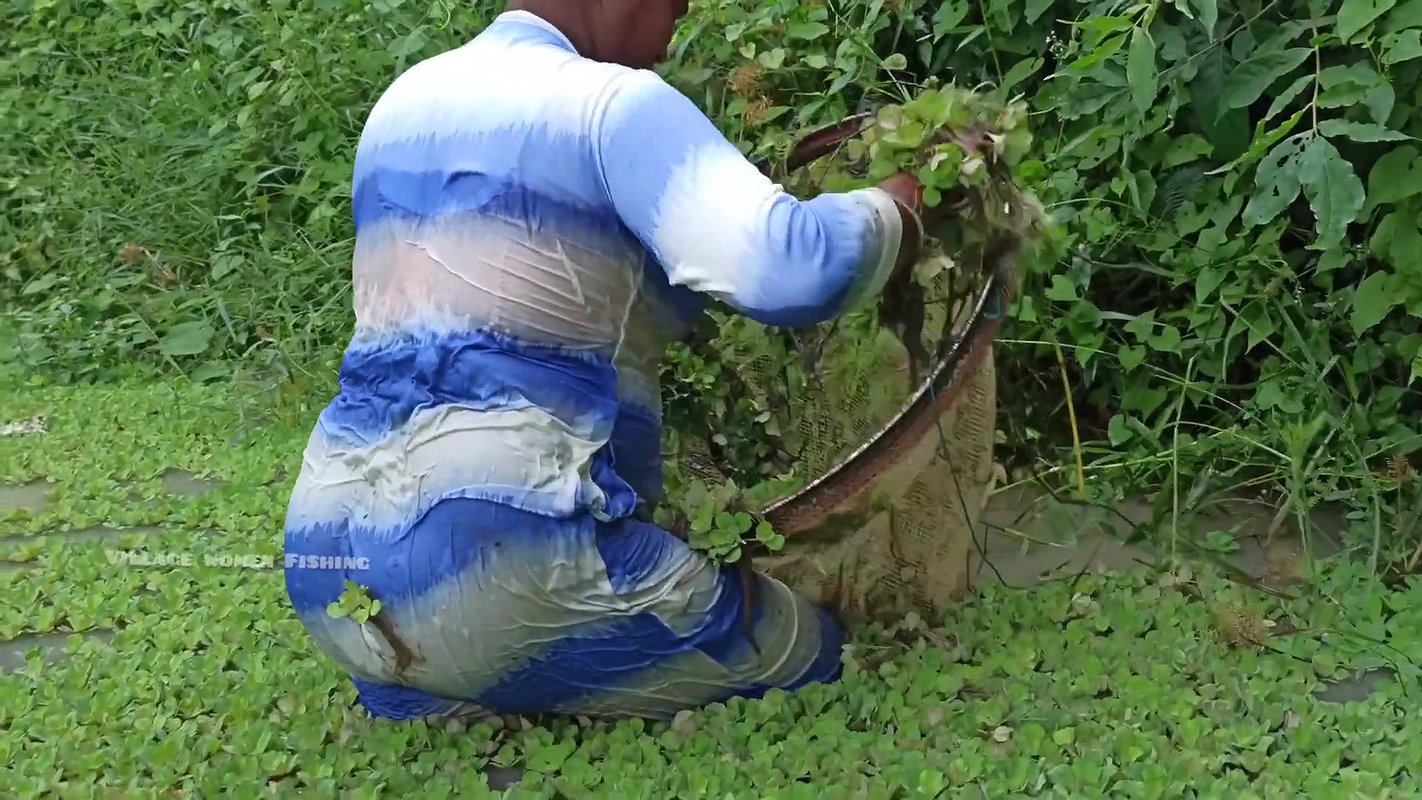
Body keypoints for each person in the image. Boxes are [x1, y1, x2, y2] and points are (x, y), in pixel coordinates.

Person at [282, 0, 933, 721]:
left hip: (329, 568)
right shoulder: (614, 105)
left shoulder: (403, 103)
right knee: (816, 656)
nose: (676, 22)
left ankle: (462, 681)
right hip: (513, 559)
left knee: (480, 675)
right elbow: (792, 267)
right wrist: (893, 209)